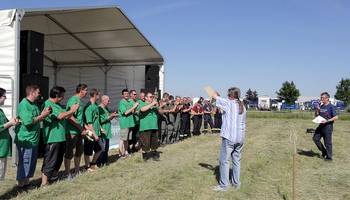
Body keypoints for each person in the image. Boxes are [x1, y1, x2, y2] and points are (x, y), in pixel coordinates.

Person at [41, 86, 79, 186]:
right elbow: (60, 116)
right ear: (57, 95)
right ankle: (44, 183)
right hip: (53, 138)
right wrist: (72, 110)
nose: (63, 97)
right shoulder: (48, 104)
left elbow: (64, 115)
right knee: (50, 160)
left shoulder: (56, 105)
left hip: (61, 137)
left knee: (58, 160)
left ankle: (53, 177)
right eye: (62, 95)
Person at [15, 85, 51, 187]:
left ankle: (26, 183)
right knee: (25, 162)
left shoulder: (34, 105)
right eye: (38, 92)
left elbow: (38, 117)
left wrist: (44, 113)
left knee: (31, 162)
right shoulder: (24, 104)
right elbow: (28, 122)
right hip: (26, 139)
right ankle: (21, 185)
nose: (40, 95)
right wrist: (42, 116)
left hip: (33, 139)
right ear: (32, 93)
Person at [211, 87, 246, 192]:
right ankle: (236, 183)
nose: (226, 96)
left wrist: (212, 92)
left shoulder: (228, 103)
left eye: (228, 95)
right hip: (240, 138)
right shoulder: (243, 106)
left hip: (229, 137)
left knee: (224, 161)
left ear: (231, 95)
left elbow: (214, 97)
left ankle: (224, 186)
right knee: (236, 161)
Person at [64, 84, 88, 180]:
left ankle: (77, 171)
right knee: (69, 153)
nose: (86, 92)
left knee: (79, 151)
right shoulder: (73, 100)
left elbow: (79, 118)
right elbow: (69, 116)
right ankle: (67, 174)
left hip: (79, 131)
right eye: (85, 90)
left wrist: (84, 128)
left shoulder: (79, 101)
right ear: (81, 90)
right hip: (72, 131)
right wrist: (80, 128)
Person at [0, 88, 20, 181]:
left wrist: (15, 121)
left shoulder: (1, 111)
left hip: (2, 149)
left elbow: (6, 124)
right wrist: (9, 123)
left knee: (1, 176)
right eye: (4, 96)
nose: (6, 98)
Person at [139, 92, 164, 161]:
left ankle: (154, 155)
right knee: (145, 144)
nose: (152, 98)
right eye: (150, 97)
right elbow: (142, 109)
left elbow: (161, 112)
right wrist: (152, 104)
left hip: (154, 126)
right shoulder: (142, 103)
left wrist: (158, 106)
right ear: (146, 97)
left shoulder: (154, 106)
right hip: (145, 127)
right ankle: (145, 157)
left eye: (152, 97)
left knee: (154, 143)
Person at [313, 92, 338, 161]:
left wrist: (327, 121)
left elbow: (336, 117)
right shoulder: (321, 106)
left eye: (322, 98)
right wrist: (317, 109)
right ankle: (324, 152)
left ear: (327, 98)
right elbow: (316, 115)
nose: (321, 99)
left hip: (328, 127)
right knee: (315, 138)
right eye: (321, 97)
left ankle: (329, 157)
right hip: (320, 126)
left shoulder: (331, 106)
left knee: (327, 142)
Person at [83, 88, 103, 171]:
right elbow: (89, 123)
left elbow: (96, 120)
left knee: (99, 149)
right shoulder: (89, 107)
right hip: (90, 133)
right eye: (98, 94)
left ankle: (93, 164)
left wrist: (100, 129)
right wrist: (94, 134)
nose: (99, 96)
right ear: (95, 95)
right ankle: (87, 167)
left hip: (96, 132)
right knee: (88, 151)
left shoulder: (95, 105)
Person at [97, 95, 117, 166]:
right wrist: (110, 116)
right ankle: (99, 163)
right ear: (103, 100)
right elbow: (100, 120)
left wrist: (112, 115)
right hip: (103, 132)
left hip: (107, 132)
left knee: (106, 148)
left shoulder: (106, 108)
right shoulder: (99, 108)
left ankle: (105, 162)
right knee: (102, 148)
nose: (109, 102)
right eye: (108, 101)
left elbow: (108, 118)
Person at [118, 89, 139, 158]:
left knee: (126, 139)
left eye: (127, 94)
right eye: (125, 94)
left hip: (129, 124)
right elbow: (126, 112)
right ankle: (120, 154)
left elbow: (133, 111)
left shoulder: (129, 101)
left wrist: (135, 107)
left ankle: (126, 152)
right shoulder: (122, 102)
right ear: (122, 95)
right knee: (122, 139)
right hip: (124, 124)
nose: (126, 95)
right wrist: (134, 106)